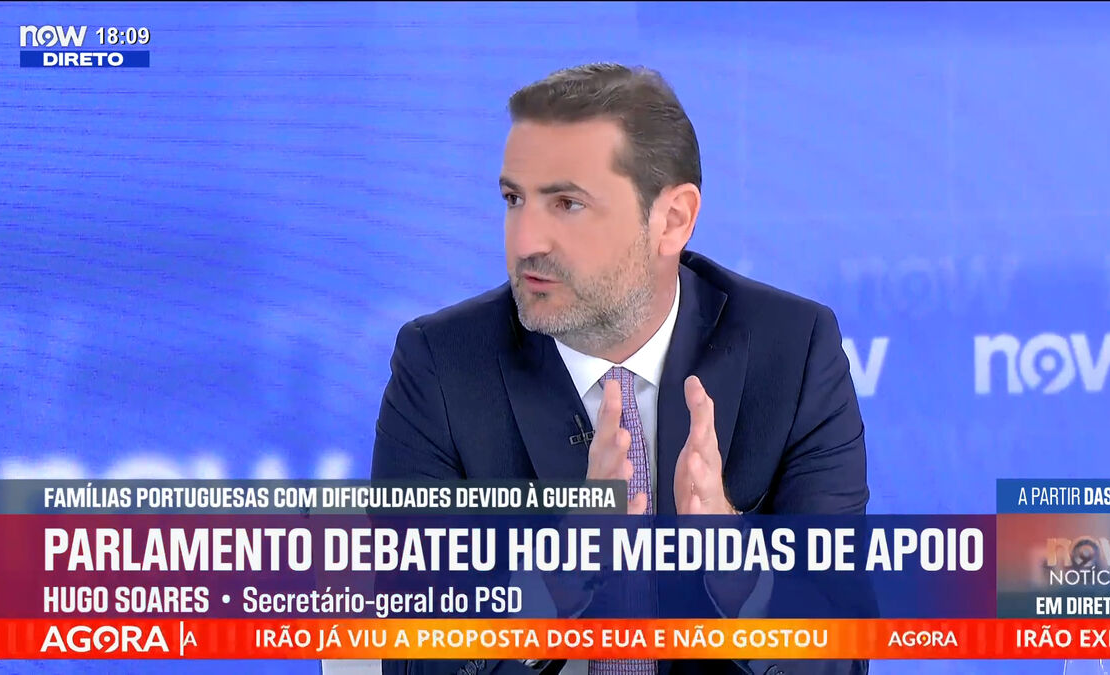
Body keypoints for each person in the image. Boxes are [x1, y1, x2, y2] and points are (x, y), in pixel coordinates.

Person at [373, 63, 870, 675]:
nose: (526, 241)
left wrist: (740, 576)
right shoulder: (442, 367)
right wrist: (552, 585)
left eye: (567, 204)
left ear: (673, 220)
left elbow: (843, 657)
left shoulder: (792, 352)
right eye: (514, 200)